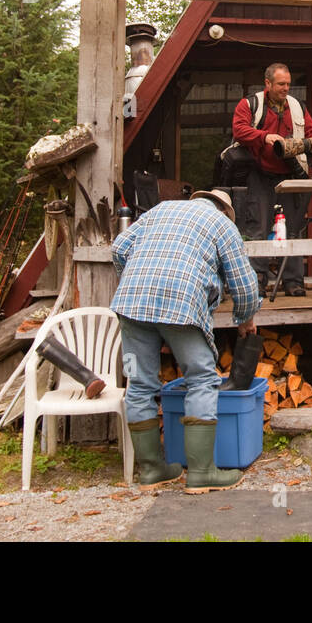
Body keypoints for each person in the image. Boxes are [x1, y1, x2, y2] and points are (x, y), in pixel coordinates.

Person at [111, 189, 260, 493]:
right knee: (202, 379)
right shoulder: (221, 224)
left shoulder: (159, 209)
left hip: (130, 303)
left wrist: (134, 280)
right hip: (181, 303)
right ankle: (202, 473)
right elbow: (244, 283)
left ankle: (152, 471)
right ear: (225, 210)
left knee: (138, 384)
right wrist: (245, 319)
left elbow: (118, 248)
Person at [229, 63, 312, 297]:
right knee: (257, 226)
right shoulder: (250, 103)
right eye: (281, 84)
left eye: (288, 84)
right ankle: (257, 280)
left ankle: (293, 281)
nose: (286, 88)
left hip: (291, 175)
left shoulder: (297, 106)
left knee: (293, 228)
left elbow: (311, 134)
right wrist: (264, 136)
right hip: (259, 174)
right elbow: (239, 130)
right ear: (267, 83)